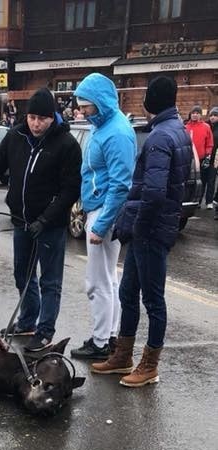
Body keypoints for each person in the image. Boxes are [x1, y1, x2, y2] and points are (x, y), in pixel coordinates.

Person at [0, 88, 81, 349]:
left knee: (50, 280)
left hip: (49, 225)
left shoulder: (66, 144)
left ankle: (45, 331)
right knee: (22, 274)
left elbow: (70, 190)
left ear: (52, 117)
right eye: (32, 117)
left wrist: (45, 219)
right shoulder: (15, 137)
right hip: (21, 220)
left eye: (42, 119)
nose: (35, 123)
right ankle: (28, 320)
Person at [92, 75, 192, 387]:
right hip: (150, 228)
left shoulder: (161, 136)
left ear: (152, 100)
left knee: (152, 298)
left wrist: (138, 225)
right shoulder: (175, 130)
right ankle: (123, 356)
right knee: (128, 291)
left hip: (149, 230)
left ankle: (149, 365)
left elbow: (155, 192)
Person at [69, 74, 137, 361]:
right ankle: (107, 336)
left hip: (104, 212)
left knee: (97, 280)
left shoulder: (116, 132)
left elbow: (121, 184)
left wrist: (100, 223)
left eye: (87, 106)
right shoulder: (107, 125)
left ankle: (100, 341)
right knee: (108, 278)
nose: (82, 111)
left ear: (100, 103)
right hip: (100, 208)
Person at [185, 106, 213, 203]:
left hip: (201, 159)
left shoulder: (206, 127)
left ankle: (198, 200)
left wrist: (207, 155)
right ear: (190, 114)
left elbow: (209, 143)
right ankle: (188, 198)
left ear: (200, 115)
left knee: (200, 180)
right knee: (188, 180)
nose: (195, 115)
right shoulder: (185, 127)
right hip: (187, 159)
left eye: (197, 113)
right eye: (193, 113)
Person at [204, 106, 218, 210]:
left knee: (211, 180)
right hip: (205, 157)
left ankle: (209, 201)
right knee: (203, 179)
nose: (213, 117)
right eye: (211, 115)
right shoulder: (205, 126)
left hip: (215, 158)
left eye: (215, 115)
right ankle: (199, 200)